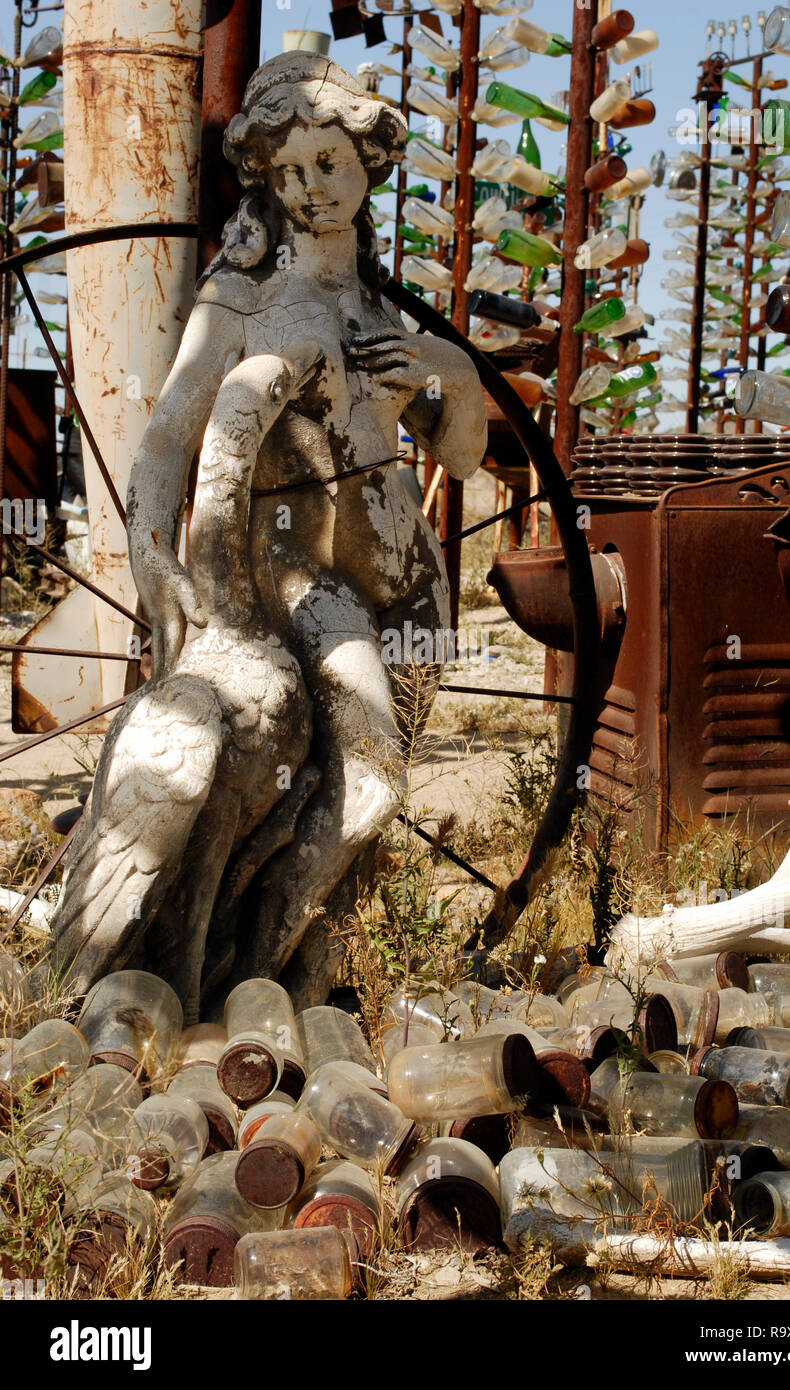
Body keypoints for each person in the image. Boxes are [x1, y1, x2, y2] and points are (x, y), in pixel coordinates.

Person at [126, 52, 488, 1005]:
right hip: (307, 574)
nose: (308, 189)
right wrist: (150, 552)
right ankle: (242, 988)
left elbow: (462, 457)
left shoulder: (375, 307)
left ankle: (322, 988)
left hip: (408, 578)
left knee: (351, 799)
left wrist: (450, 375)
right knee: (369, 787)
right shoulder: (243, 297)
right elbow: (170, 434)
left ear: (368, 162)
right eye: (287, 172)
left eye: (328, 164)